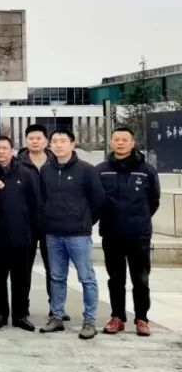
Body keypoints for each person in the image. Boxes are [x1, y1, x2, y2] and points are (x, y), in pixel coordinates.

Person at [39, 130, 106, 340]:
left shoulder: (86, 170)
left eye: (63, 141)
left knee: (86, 278)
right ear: (50, 145)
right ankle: (56, 317)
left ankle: (89, 321)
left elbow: (98, 200)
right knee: (56, 277)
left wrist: (85, 221)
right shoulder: (46, 170)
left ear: (72, 144)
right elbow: (42, 198)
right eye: (55, 141)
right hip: (54, 233)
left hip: (78, 234)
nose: (58, 145)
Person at [97, 127, 160, 337]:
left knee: (140, 279)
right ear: (111, 142)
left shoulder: (146, 170)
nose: (120, 143)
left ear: (133, 143)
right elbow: (96, 199)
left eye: (125, 139)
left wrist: (139, 219)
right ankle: (117, 317)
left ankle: (142, 318)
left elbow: (154, 200)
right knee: (115, 279)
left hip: (138, 234)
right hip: (111, 233)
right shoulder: (101, 170)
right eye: (117, 139)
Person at [0, 136, 40, 332]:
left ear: (12, 151)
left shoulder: (25, 173)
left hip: (21, 235)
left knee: (21, 278)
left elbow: (34, 205)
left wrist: (32, 232)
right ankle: (0, 315)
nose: (1, 152)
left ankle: (20, 315)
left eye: (5, 148)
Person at [18, 123, 54, 305]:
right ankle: (22, 307)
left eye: (39, 138)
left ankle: (56, 307)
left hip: (51, 224)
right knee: (23, 268)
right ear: (26, 141)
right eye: (31, 138)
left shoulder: (55, 163)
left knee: (53, 268)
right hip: (26, 224)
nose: (35, 141)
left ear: (46, 141)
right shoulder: (17, 164)